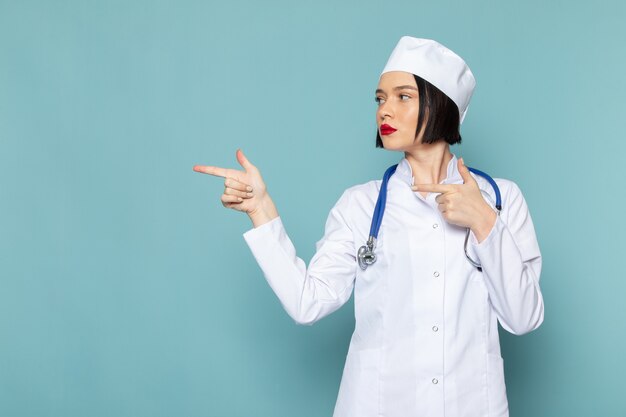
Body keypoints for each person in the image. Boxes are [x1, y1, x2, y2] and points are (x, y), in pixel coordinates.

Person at [194, 36, 544, 417]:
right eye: (380, 99)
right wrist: (261, 210)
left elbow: (524, 318)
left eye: (403, 97)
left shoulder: (500, 199)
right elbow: (307, 303)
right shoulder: (360, 205)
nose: (384, 111)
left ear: (442, 104)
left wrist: (484, 222)